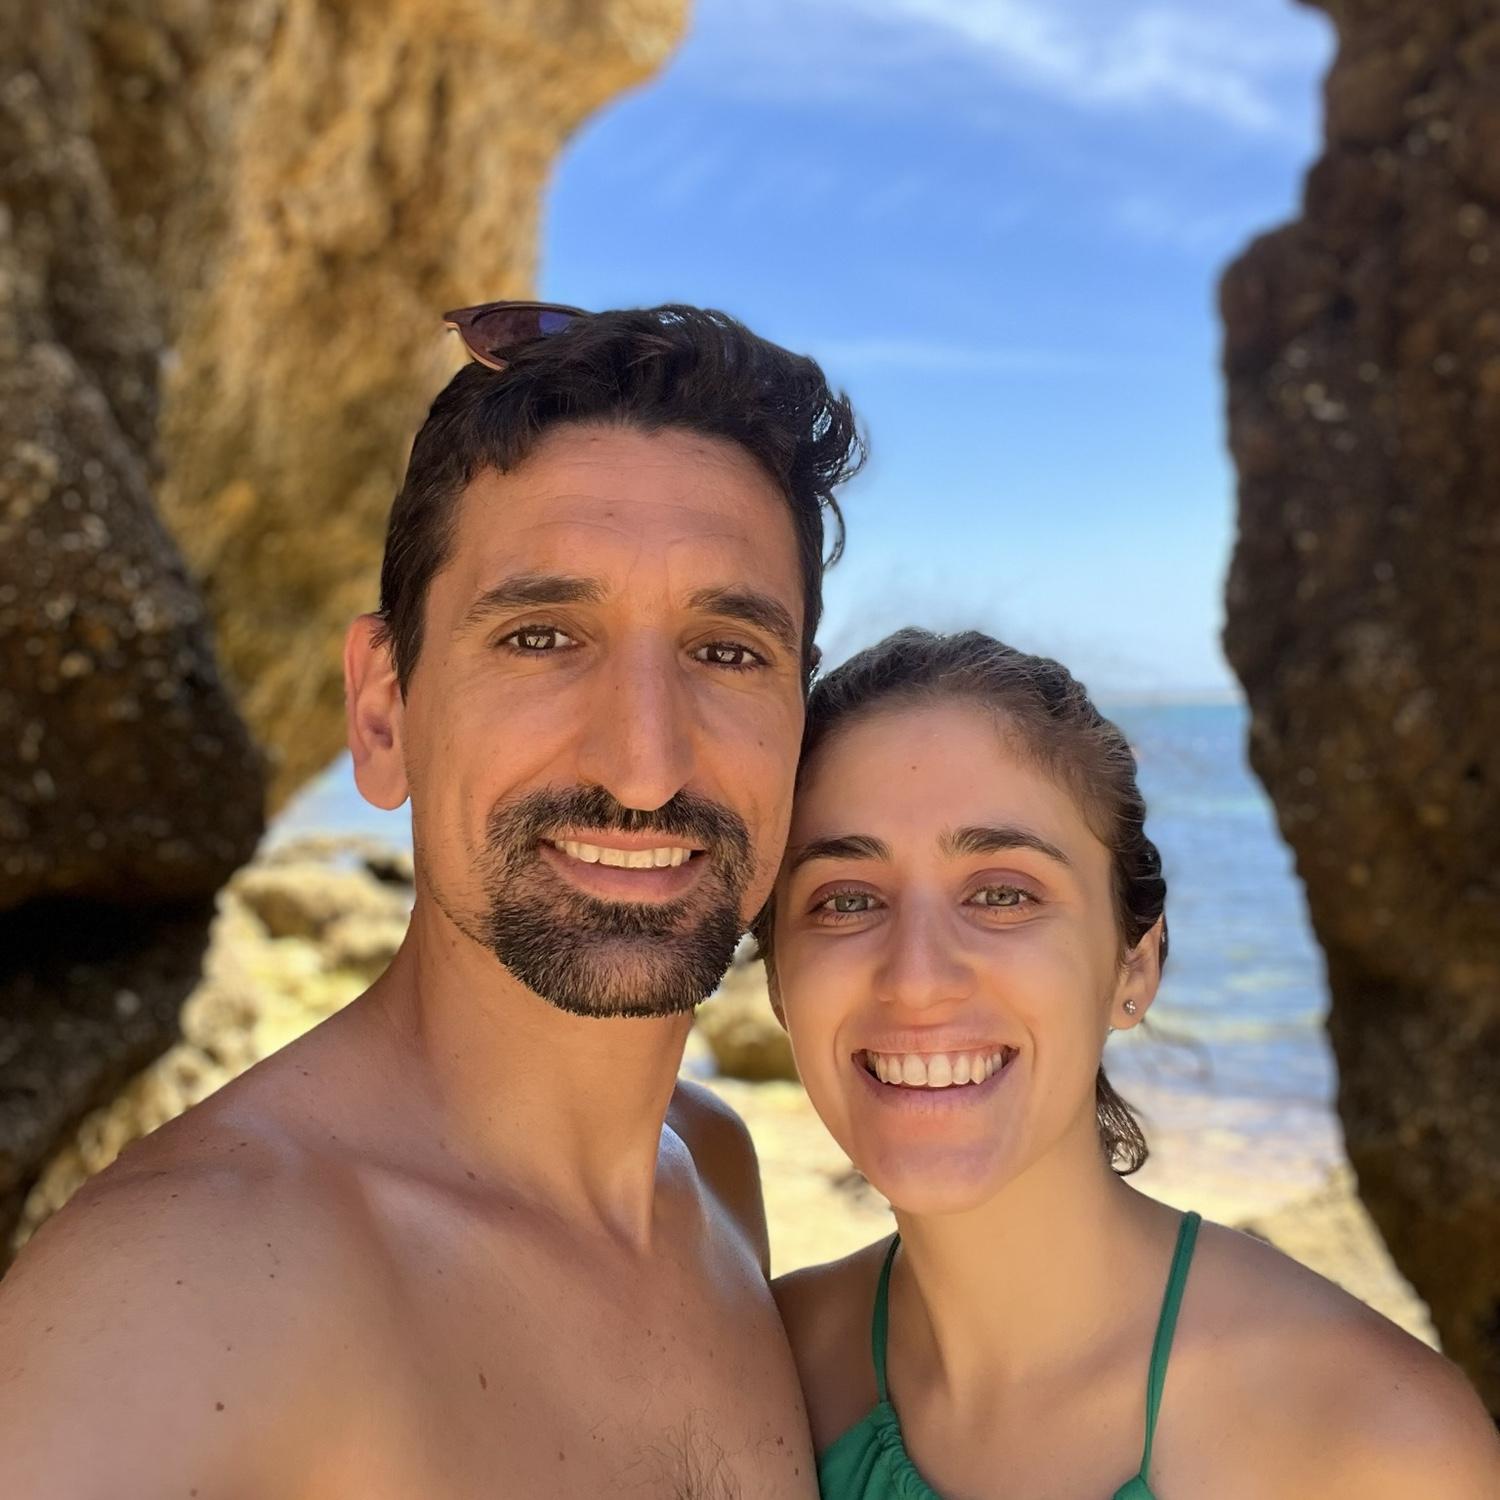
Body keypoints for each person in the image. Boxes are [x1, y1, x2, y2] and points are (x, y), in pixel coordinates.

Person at [0, 302, 863, 1498]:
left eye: (726, 652)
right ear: (383, 711)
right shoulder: (181, 1296)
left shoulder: (711, 1172)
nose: (645, 765)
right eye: (543, 637)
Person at [765, 629, 1500, 1499]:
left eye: (1002, 894)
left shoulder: (1380, 1448)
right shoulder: (769, 1369)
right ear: (777, 982)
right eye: (846, 901)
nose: (917, 979)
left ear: (1135, 966)